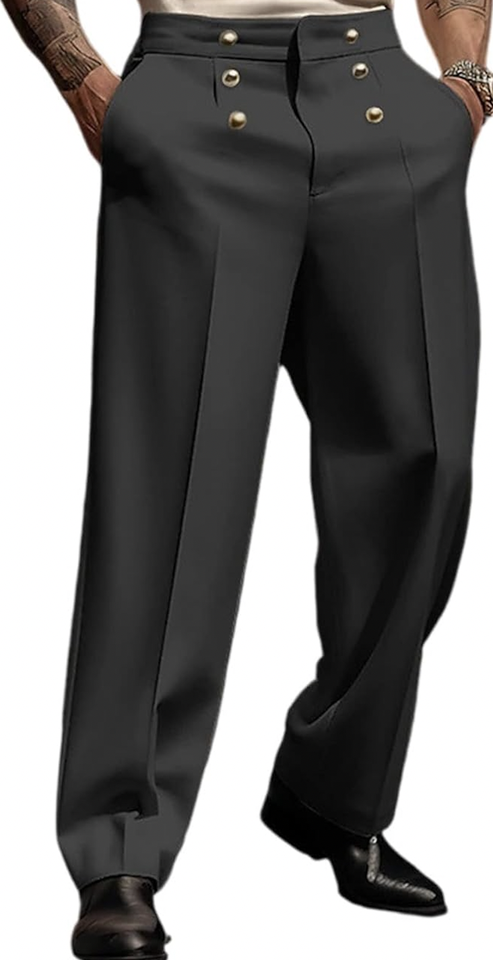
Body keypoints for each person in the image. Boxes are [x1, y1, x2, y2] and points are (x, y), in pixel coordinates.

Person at [2, 0, 491, 956]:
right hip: (194, 95)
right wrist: (80, 77)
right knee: (170, 486)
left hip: (382, 96)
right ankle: (119, 850)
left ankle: (334, 792)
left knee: (423, 468)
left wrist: (466, 84)